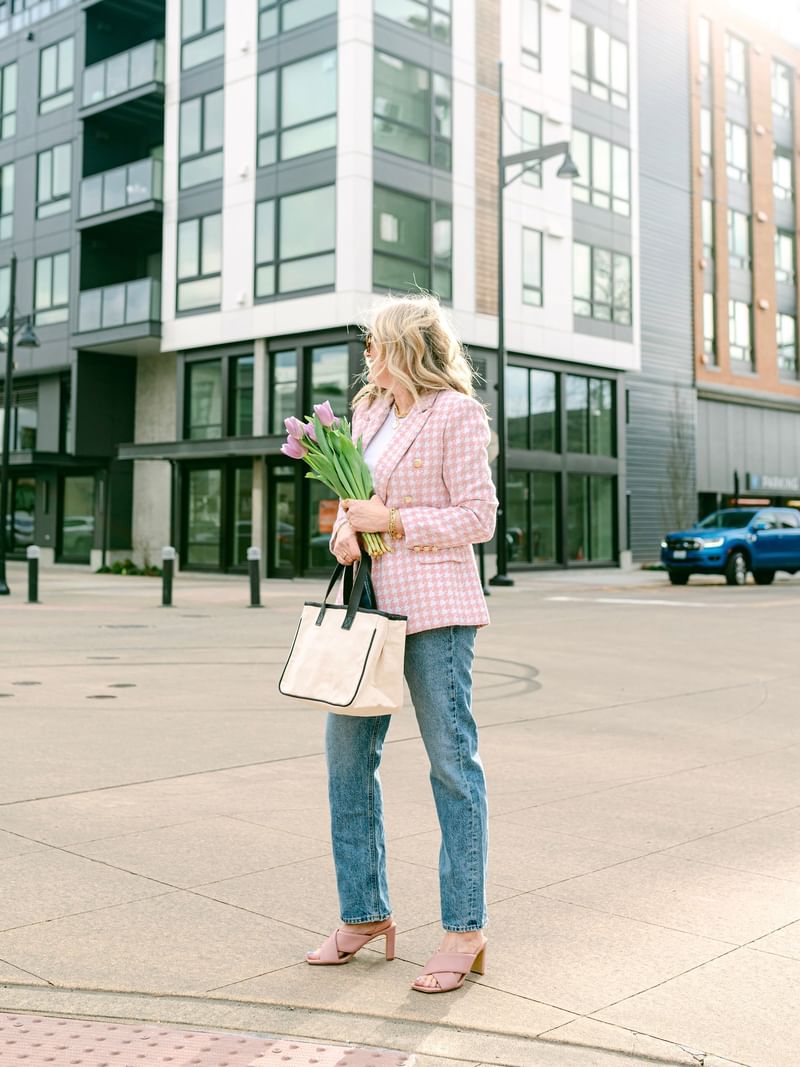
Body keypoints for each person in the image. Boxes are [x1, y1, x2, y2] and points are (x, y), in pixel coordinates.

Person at [306, 294, 498, 994]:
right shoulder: (369, 413)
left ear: (405, 349)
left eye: (375, 344)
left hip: (437, 613)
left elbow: (478, 516)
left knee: (452, 763)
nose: (367, 357)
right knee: (346, 760)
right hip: (371, 614)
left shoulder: (456, 414)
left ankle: (465, 928)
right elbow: (354, 509)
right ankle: (363, 913)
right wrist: (346, 530)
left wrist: (395, 518)